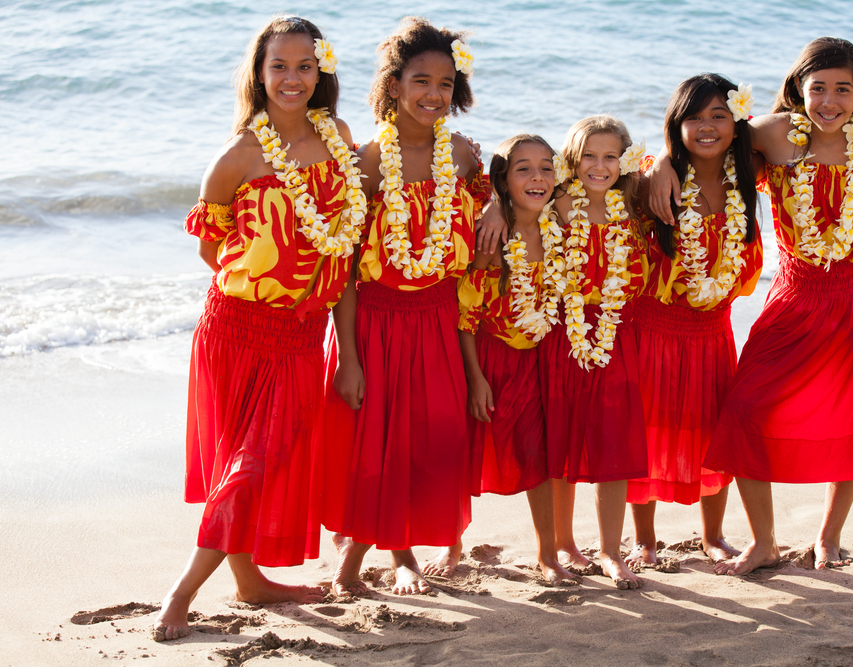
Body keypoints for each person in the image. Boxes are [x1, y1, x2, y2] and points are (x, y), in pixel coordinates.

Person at [664, 38, 853, 576]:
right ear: (798, 89)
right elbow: (706, 137)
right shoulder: (776, 135)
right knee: (746, 408)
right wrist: (663, 164)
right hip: (798, 294)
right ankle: (765, 541)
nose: (829, 100)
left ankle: (829, 537)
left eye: (843, 89)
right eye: (817, 87)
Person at [154, 16, 365, 641]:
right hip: (236, 330)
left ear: (321, 71)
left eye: (305, 66)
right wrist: (269, 284)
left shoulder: (340, 140)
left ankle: (248, 583)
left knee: (255, 461)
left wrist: (346, 354)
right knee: (245, 463)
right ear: (259, 73)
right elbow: (211, 251)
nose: (292, 78)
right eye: (279, 66)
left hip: (301, 337)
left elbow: (344, 257)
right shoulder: (238, 157)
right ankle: (183, 591)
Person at [323, 16, 491, 596]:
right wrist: (348, 356)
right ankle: (380, 558)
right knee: (378, 447)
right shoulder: (365, 164)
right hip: (376, 323)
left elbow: (500, 215)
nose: (433, 95)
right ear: (394, 85)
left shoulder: (465, 160)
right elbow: (342, 271)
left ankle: (407, 548)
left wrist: (493, 213)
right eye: (421, 81)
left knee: (431, 441)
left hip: (440, 320)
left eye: (445, 84)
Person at [623, 74, 764, 568]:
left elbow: (797, 128)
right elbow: (583, 183)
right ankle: (644, 538)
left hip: (711, 334)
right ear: (675, 123)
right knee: (646, 431)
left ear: (737, 122)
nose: (706, 127)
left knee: (711, 433)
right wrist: (661, 160)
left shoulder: (749, 172)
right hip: (652, 328)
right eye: (693, 117)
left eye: (718, 116)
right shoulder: (650, 178)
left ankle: (712, 534)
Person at [455, 133, 579, 586]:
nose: (538, 177)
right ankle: (452, 547)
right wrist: (475, 379)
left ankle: (548, 554)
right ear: (503, 179)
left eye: (547, 167)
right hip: (488, 356)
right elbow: (466, 314)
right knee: (466, 454)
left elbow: (607, 180)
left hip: (539, 358)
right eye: (523, 168)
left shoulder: (561, 224)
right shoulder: (492, 235)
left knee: (538, 457)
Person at [537, 115, 649, 590]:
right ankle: (563, 542)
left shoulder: (634, 205)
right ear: (572, 158)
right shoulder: (559, 203)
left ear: (624, 160)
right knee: (560, 440)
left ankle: (610, 550)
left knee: (613, 444)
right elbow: (512, 201)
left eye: (610, 157)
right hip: (563, 334)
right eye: (588, 156)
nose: (598, 166)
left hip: (616, 335)